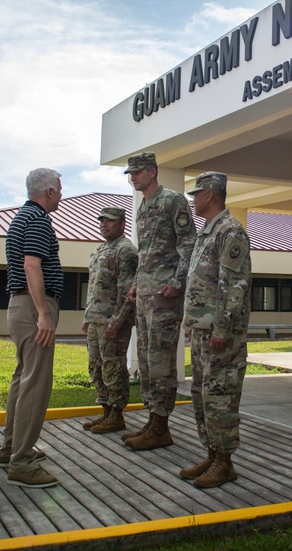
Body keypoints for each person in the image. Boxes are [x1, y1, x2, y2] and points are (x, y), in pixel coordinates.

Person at [179, 171, 252, 488]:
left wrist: (222, 327)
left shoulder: (230, 231)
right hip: (203, 332)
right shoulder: (207, 232)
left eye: (196, 194)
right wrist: (194, 326)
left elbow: (233, 285)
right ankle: (212, 455)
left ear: (210, 194)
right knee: (203, 395)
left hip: (222, 334)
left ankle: (224, 462)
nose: (193, 199)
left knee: (220, 396)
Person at [122, 152, 197, 451]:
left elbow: (188, 244)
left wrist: (177, 283)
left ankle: (161, 425)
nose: (133, 177)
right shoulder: (143, 206)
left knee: (162, 361)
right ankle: (153, 420)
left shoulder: (172, 201)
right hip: (145, 294)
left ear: (152, 171)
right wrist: (135, 284)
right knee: (146, 359)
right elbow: (145, 252)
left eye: (138, 172)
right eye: (130, 173)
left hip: (165, 296)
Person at [0, 168, 64, 488]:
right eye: (60, 188)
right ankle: (21, 463)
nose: (62, 194)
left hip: (20, 306)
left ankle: (12, 448)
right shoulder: (37, 219)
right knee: (36, 384)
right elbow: (31, 265)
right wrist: (43, 314)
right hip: (32, 307)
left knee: (23, 379)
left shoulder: (22, 217)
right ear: (49, 191)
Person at [81, 206, 138, 434]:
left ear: (122, 223)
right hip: (95, 320)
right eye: (101, 220)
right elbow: (92, 288)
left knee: (113, 366)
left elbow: (128, 292)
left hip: (113, 323)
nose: (104, 224)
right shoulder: (99, 251)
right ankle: (105, 411)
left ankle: (116, 414)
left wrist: (116, 323)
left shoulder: (126, 252)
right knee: (96, 366)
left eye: (110, 221)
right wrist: (87, 317)